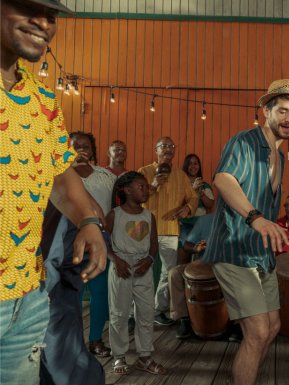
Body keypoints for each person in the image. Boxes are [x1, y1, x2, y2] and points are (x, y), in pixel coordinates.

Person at [0, 1, 107, 383]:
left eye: (51, 15)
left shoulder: (43, 101)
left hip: (28, 295)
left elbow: (60, 175)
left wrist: (90, 221)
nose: (43, 22)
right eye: (26, 7)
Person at [202, 79, 289, 385]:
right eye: (283, 111)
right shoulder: (245, 142)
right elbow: (223, 180)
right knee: (258, 331)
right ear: (266, 111)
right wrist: (256, 218)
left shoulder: (280, 157)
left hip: (260, 255)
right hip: (234, 250)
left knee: (273, 327)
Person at [40, 131, 115, 384]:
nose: (80, 150)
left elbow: (100, 212)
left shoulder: (103, 176)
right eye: (75, 147)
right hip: (49, 265)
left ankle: (96, 340)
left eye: (85, 147)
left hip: (85, 248)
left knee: (90, 302)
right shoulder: (52, 175)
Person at [106, 171, 167, 375]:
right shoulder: (115, 214)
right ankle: (119, 356)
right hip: (121, 266)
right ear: (127, 190)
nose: (146, 189)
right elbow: (102, 242)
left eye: (146, 186)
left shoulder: (149, 216)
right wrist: (116, 260)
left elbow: (153, 245)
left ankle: (145, 357)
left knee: (146, 313)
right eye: (141, 186)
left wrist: (149, 260)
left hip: (143, 268)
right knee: (119, 313)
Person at [138, 137, 197, 326]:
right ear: (156, 149)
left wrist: (188, 208)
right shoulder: (144, 171)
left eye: (172, 146)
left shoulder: (181, 175)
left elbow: (193, 197)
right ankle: (135, 314)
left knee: (168, 273)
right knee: (140, 272)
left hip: (171, 230)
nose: (168, 150)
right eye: (164, 146)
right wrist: (154, 185)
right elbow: (135, 198)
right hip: (144, 230)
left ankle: (158, 310)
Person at [168, 213, 214, 339]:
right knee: (175, 273)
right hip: (202, 264)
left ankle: (237, 323)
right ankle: (184, 319)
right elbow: (187, 244)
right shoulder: (205, 220)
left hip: (227, 264)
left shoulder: (239, 220)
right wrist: (195, 247)